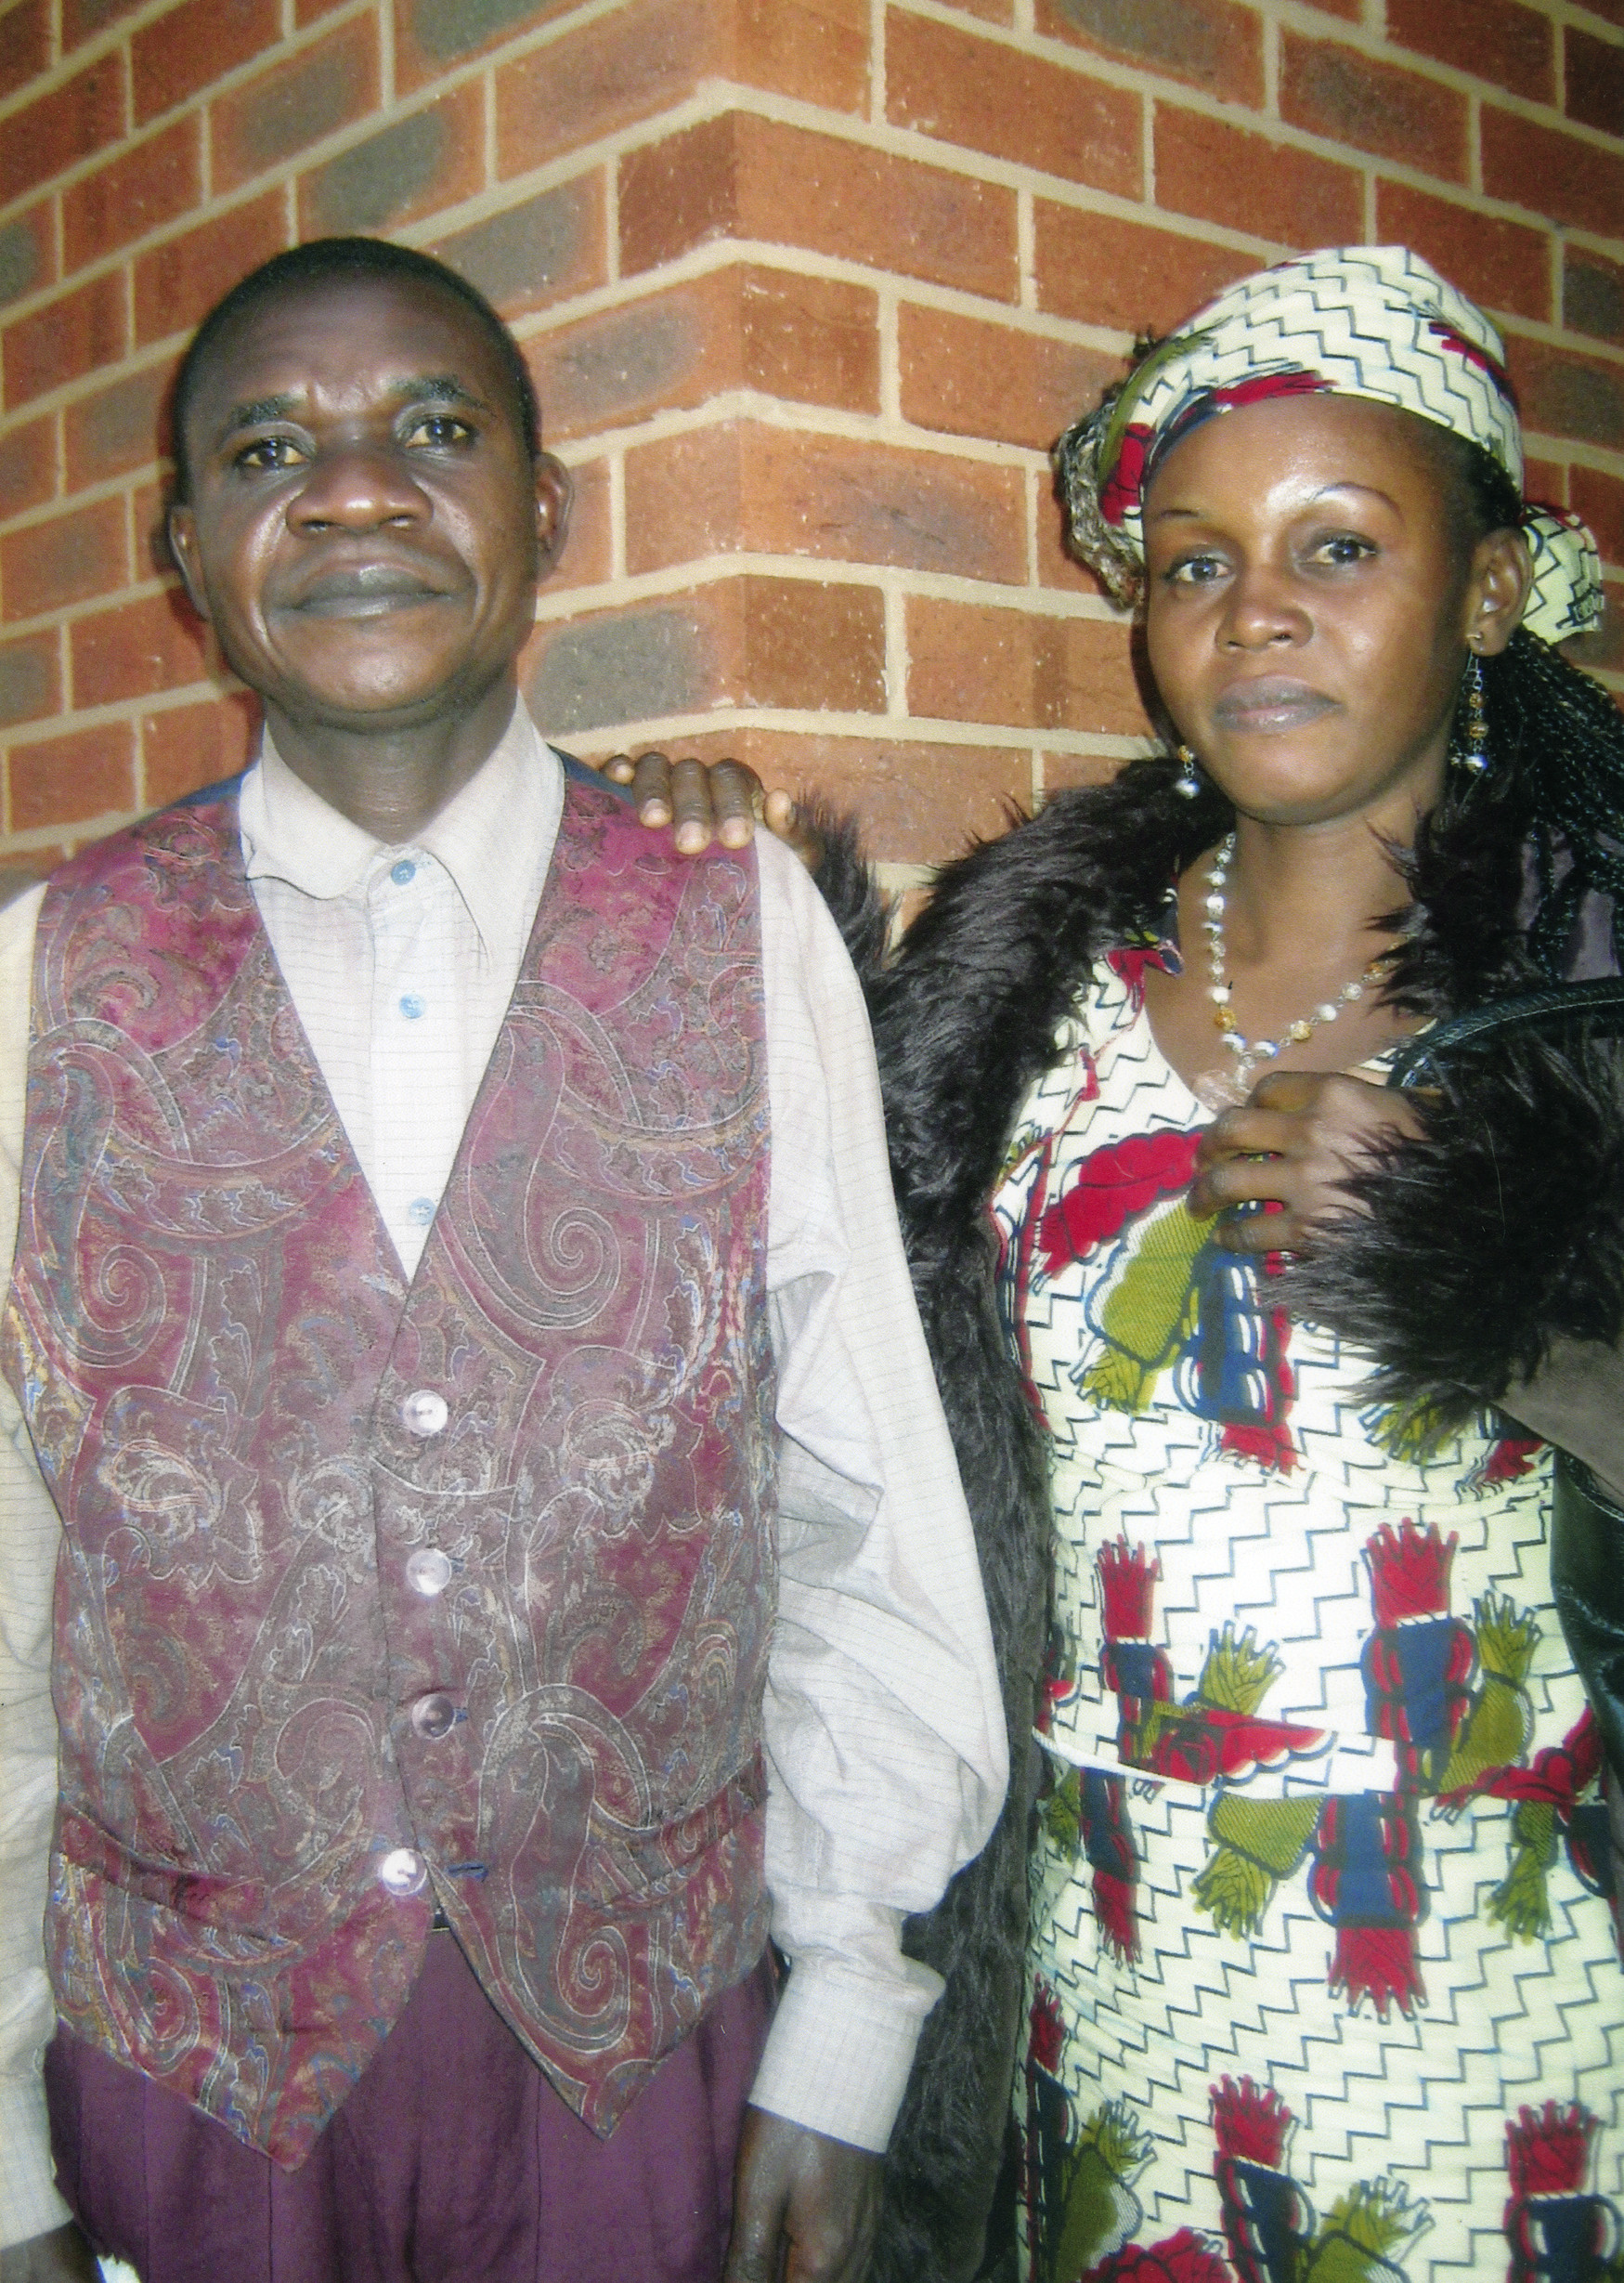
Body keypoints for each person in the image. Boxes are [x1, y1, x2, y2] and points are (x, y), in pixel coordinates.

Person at [0, 236, 1008, 2283]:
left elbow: (855, 1490)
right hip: (194, 2075)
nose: (354, 491)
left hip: (642, 2056)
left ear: (544, 512)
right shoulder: (44, 975)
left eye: (434, 429)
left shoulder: (739, 929)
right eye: (266, 450)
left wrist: (847, 2003)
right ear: (183, 549)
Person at [631, 246, 1624, 2279]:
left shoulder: (1586, 995)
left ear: (1490, 590)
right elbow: (847, 1419)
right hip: (1095, 1979)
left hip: (1503, 1999)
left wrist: (1479, 1290)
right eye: (1191, 562)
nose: (1253, 611)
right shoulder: (1026, 1000)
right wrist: (712, 902)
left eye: (1336, 545)